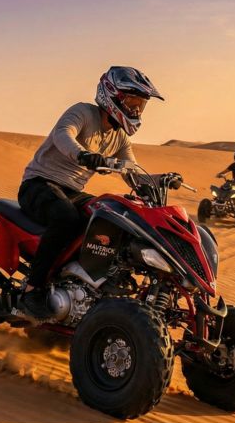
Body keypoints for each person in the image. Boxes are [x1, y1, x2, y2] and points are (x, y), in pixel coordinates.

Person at [16, 66, 164, 319]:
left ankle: (77, 283)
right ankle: (32, 291)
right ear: (112, 95)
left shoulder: (120, 138)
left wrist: (163, 179)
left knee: (108, 219)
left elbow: (133, 171)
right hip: (39, 184)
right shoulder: (83, 112)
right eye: (132, 101)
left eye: (141, 105)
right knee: (67, 219)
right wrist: (83, 155)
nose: (136, 110)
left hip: (72, 191)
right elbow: (64, 135)